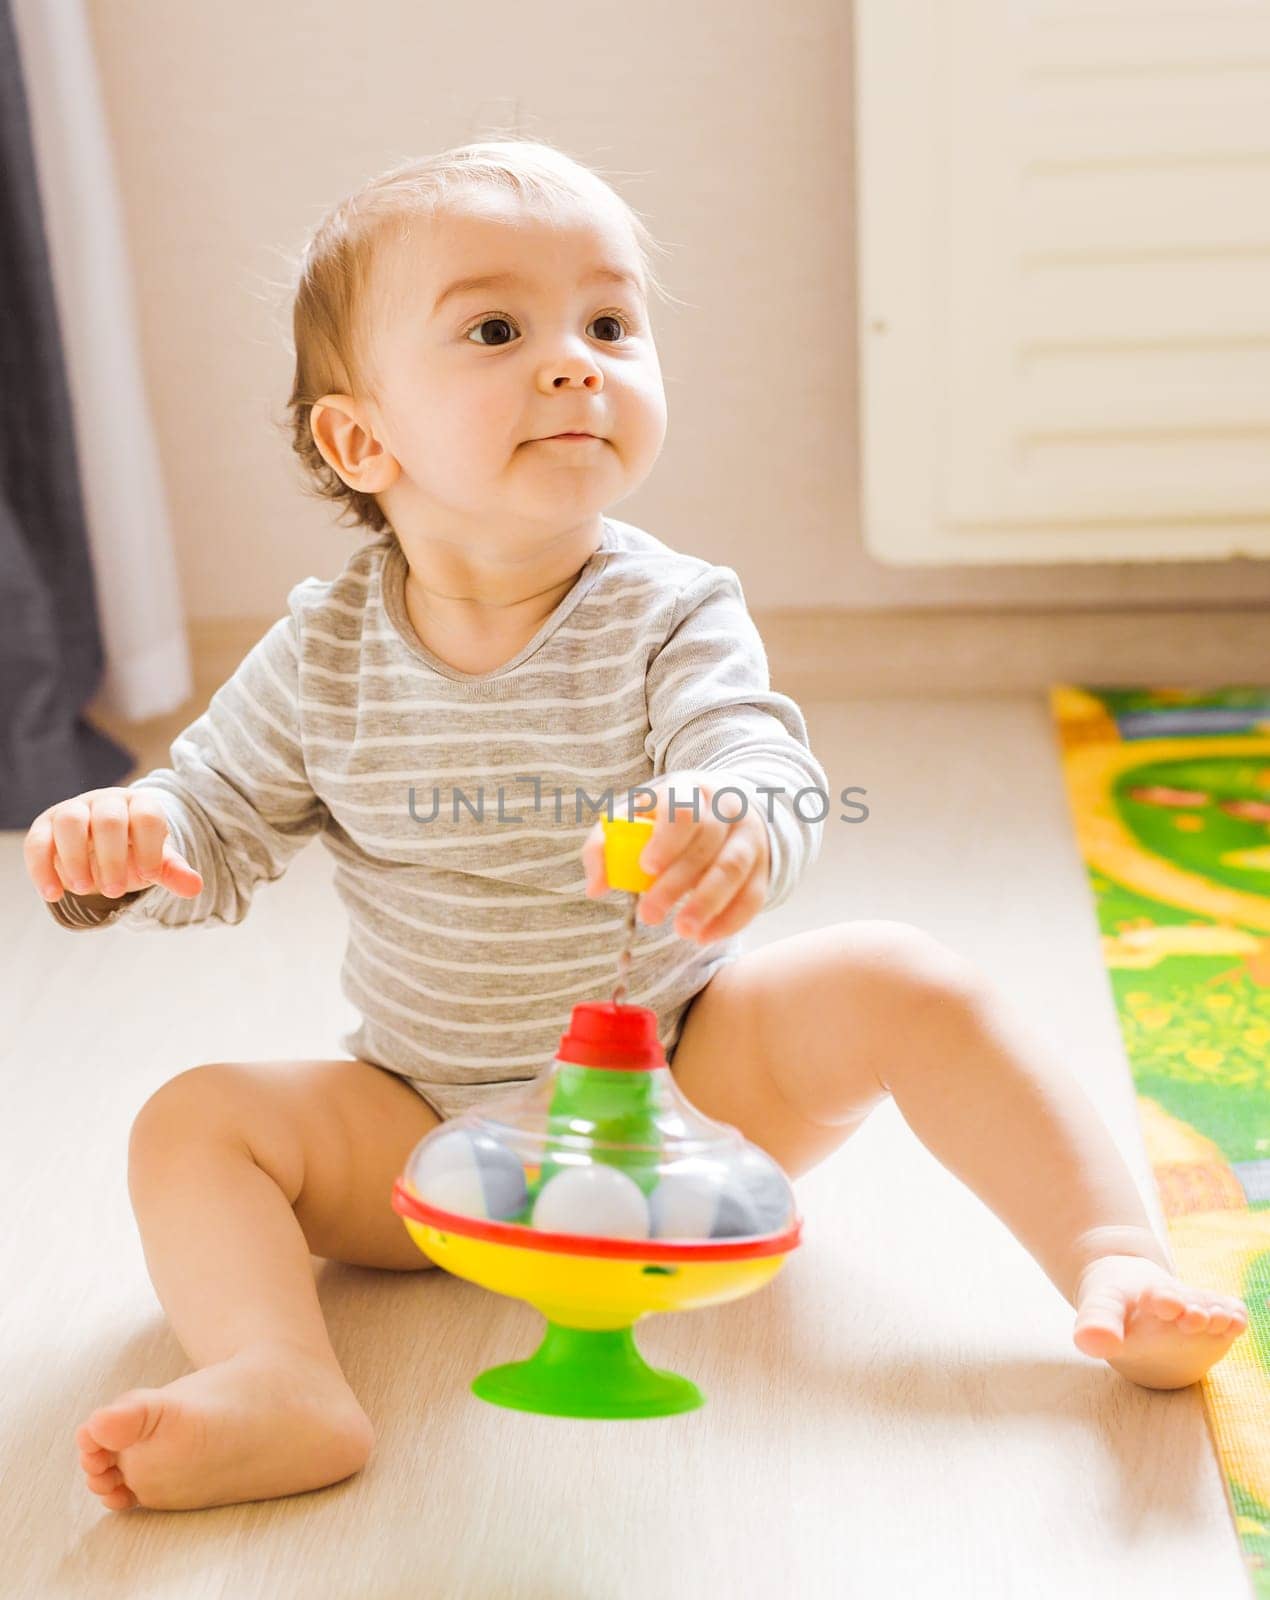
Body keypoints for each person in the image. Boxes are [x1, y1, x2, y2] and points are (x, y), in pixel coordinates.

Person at [24, 139, 1248, 1515]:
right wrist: (134, 842)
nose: (572, 360)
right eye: (498, 329)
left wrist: (731, 813)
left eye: (608, 324)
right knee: (193, 1122)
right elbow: (216, 823)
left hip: (685, 1094)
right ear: (363, 439)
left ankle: (1109, 1256)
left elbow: (756, 753)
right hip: (420, 1129)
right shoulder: (321, 656)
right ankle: (275, 1380)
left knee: (901, 974)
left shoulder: (668, 609)